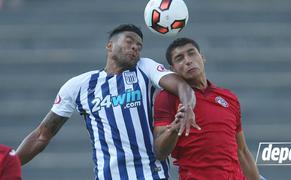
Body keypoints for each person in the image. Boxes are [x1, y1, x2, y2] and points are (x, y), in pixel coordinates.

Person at [16, 24, 200, 180]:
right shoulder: (79, 85)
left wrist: (188, 106)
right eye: (129, 41)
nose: (135, 47)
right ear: (110, 46)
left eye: (139, 45)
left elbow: (181, 86)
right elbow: (42, 135)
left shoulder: (144, 67)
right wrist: (11, 164)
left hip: (152, 174)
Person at [153, 38, 261, 180]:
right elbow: (159, 152)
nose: (188, 61)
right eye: (179, 58)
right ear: (172, 69)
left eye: (191, 54)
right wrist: (174, 128)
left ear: (202, 57)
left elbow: (242, 151)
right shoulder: (168, 97)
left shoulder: (229, 97)